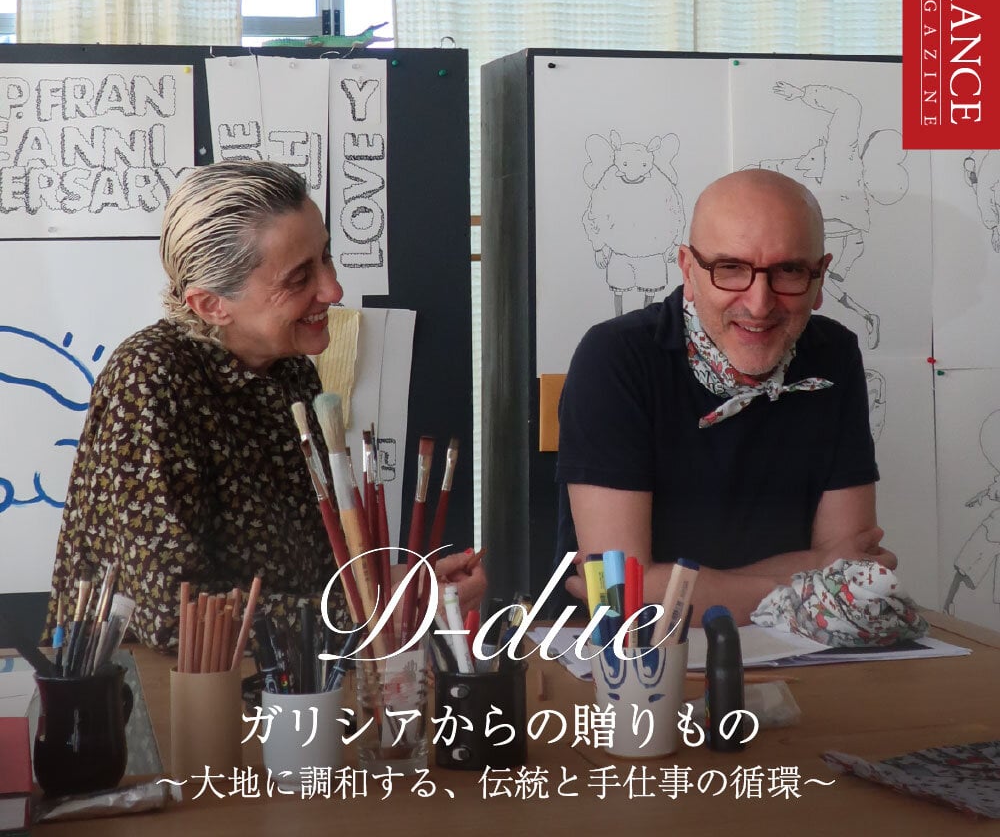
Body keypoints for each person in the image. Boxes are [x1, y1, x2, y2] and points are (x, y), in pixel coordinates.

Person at [47, 160, 485, 654]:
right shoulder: (151, 379)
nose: (333, 290)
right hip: (157, 691)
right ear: (211, 304)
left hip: (288, 680)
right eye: (299, 278)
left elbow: (310, 575)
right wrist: (374, 613)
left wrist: (400, 586)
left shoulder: (290, 369)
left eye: (326, 257)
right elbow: (172, 615)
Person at [557, 168, 895, 625]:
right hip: (632, 657)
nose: (759, 303)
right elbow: (619, 596)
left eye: (789, 271)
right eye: (730, 269)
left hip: (800, 649)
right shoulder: (616, 357)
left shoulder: (832, 354)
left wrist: (670, 588)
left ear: (819, 278)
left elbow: (852, 573)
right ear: (688, 270)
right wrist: (813, 574)